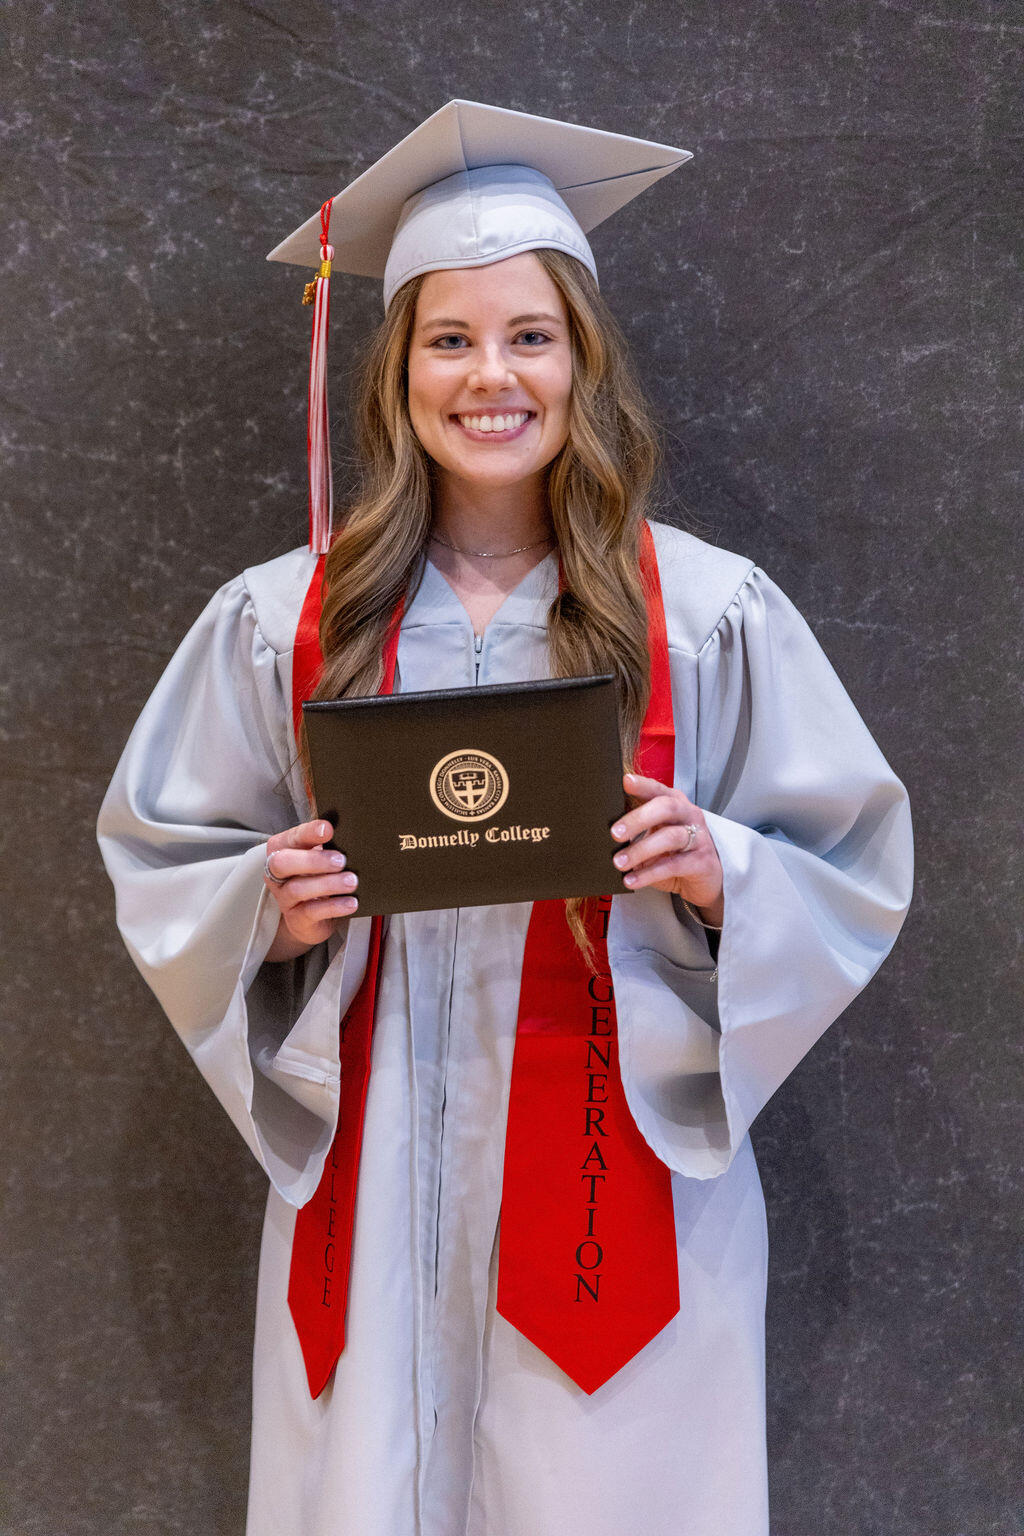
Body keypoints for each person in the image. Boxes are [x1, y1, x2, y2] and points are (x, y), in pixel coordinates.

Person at [97, 100, 914, 1536]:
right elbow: (168, 862)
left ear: (581, 359)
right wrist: (265, 911)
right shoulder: (281, 620)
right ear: (396, 370)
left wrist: (718, 868)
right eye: (450, 339)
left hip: (616, 1209)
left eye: (531, 335)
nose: (492, 376)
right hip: (375, 1194)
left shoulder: (707, 615)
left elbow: (849, 868)